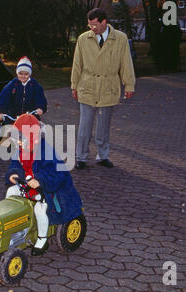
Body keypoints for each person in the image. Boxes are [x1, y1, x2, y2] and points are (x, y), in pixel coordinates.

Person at [5, 114, 82, 256]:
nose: (18, 144)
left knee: (41, 209)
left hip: (48, 190)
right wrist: (14, 173)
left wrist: (40, 180)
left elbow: (57, 174)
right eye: (16, 140)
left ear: (32, 139)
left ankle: (42, 239)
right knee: (11, 192)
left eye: (21, 140)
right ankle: (15, 227)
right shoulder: (20, 151)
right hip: (27, 185)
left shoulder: (47, 152)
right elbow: (15, 164)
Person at [71, 8, 136, 170]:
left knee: (103, 127)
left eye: (94, 25)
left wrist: (129, 85)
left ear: (104, 22)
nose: (91, 28)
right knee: (84, 126)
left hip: (108, 88)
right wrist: (74, 85)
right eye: (89, 25)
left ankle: (103, 156)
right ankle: (81, 157)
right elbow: (77, 65)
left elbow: (126, 64)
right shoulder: (83, 39)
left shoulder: (120, 39)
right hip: (87, 88)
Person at [0, 57, 47, 122]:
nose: (23, 76)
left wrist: (40, 108)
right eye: (20, 73)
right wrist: (0, 112)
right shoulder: (12, 85)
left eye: (26, 74)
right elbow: (3, 98)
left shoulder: (35, 86)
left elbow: (40, 98)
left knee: (35, 130)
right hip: (13, 117)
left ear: (30, 74)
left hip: (30, 117)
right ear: (17, 73)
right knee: (9, 131)